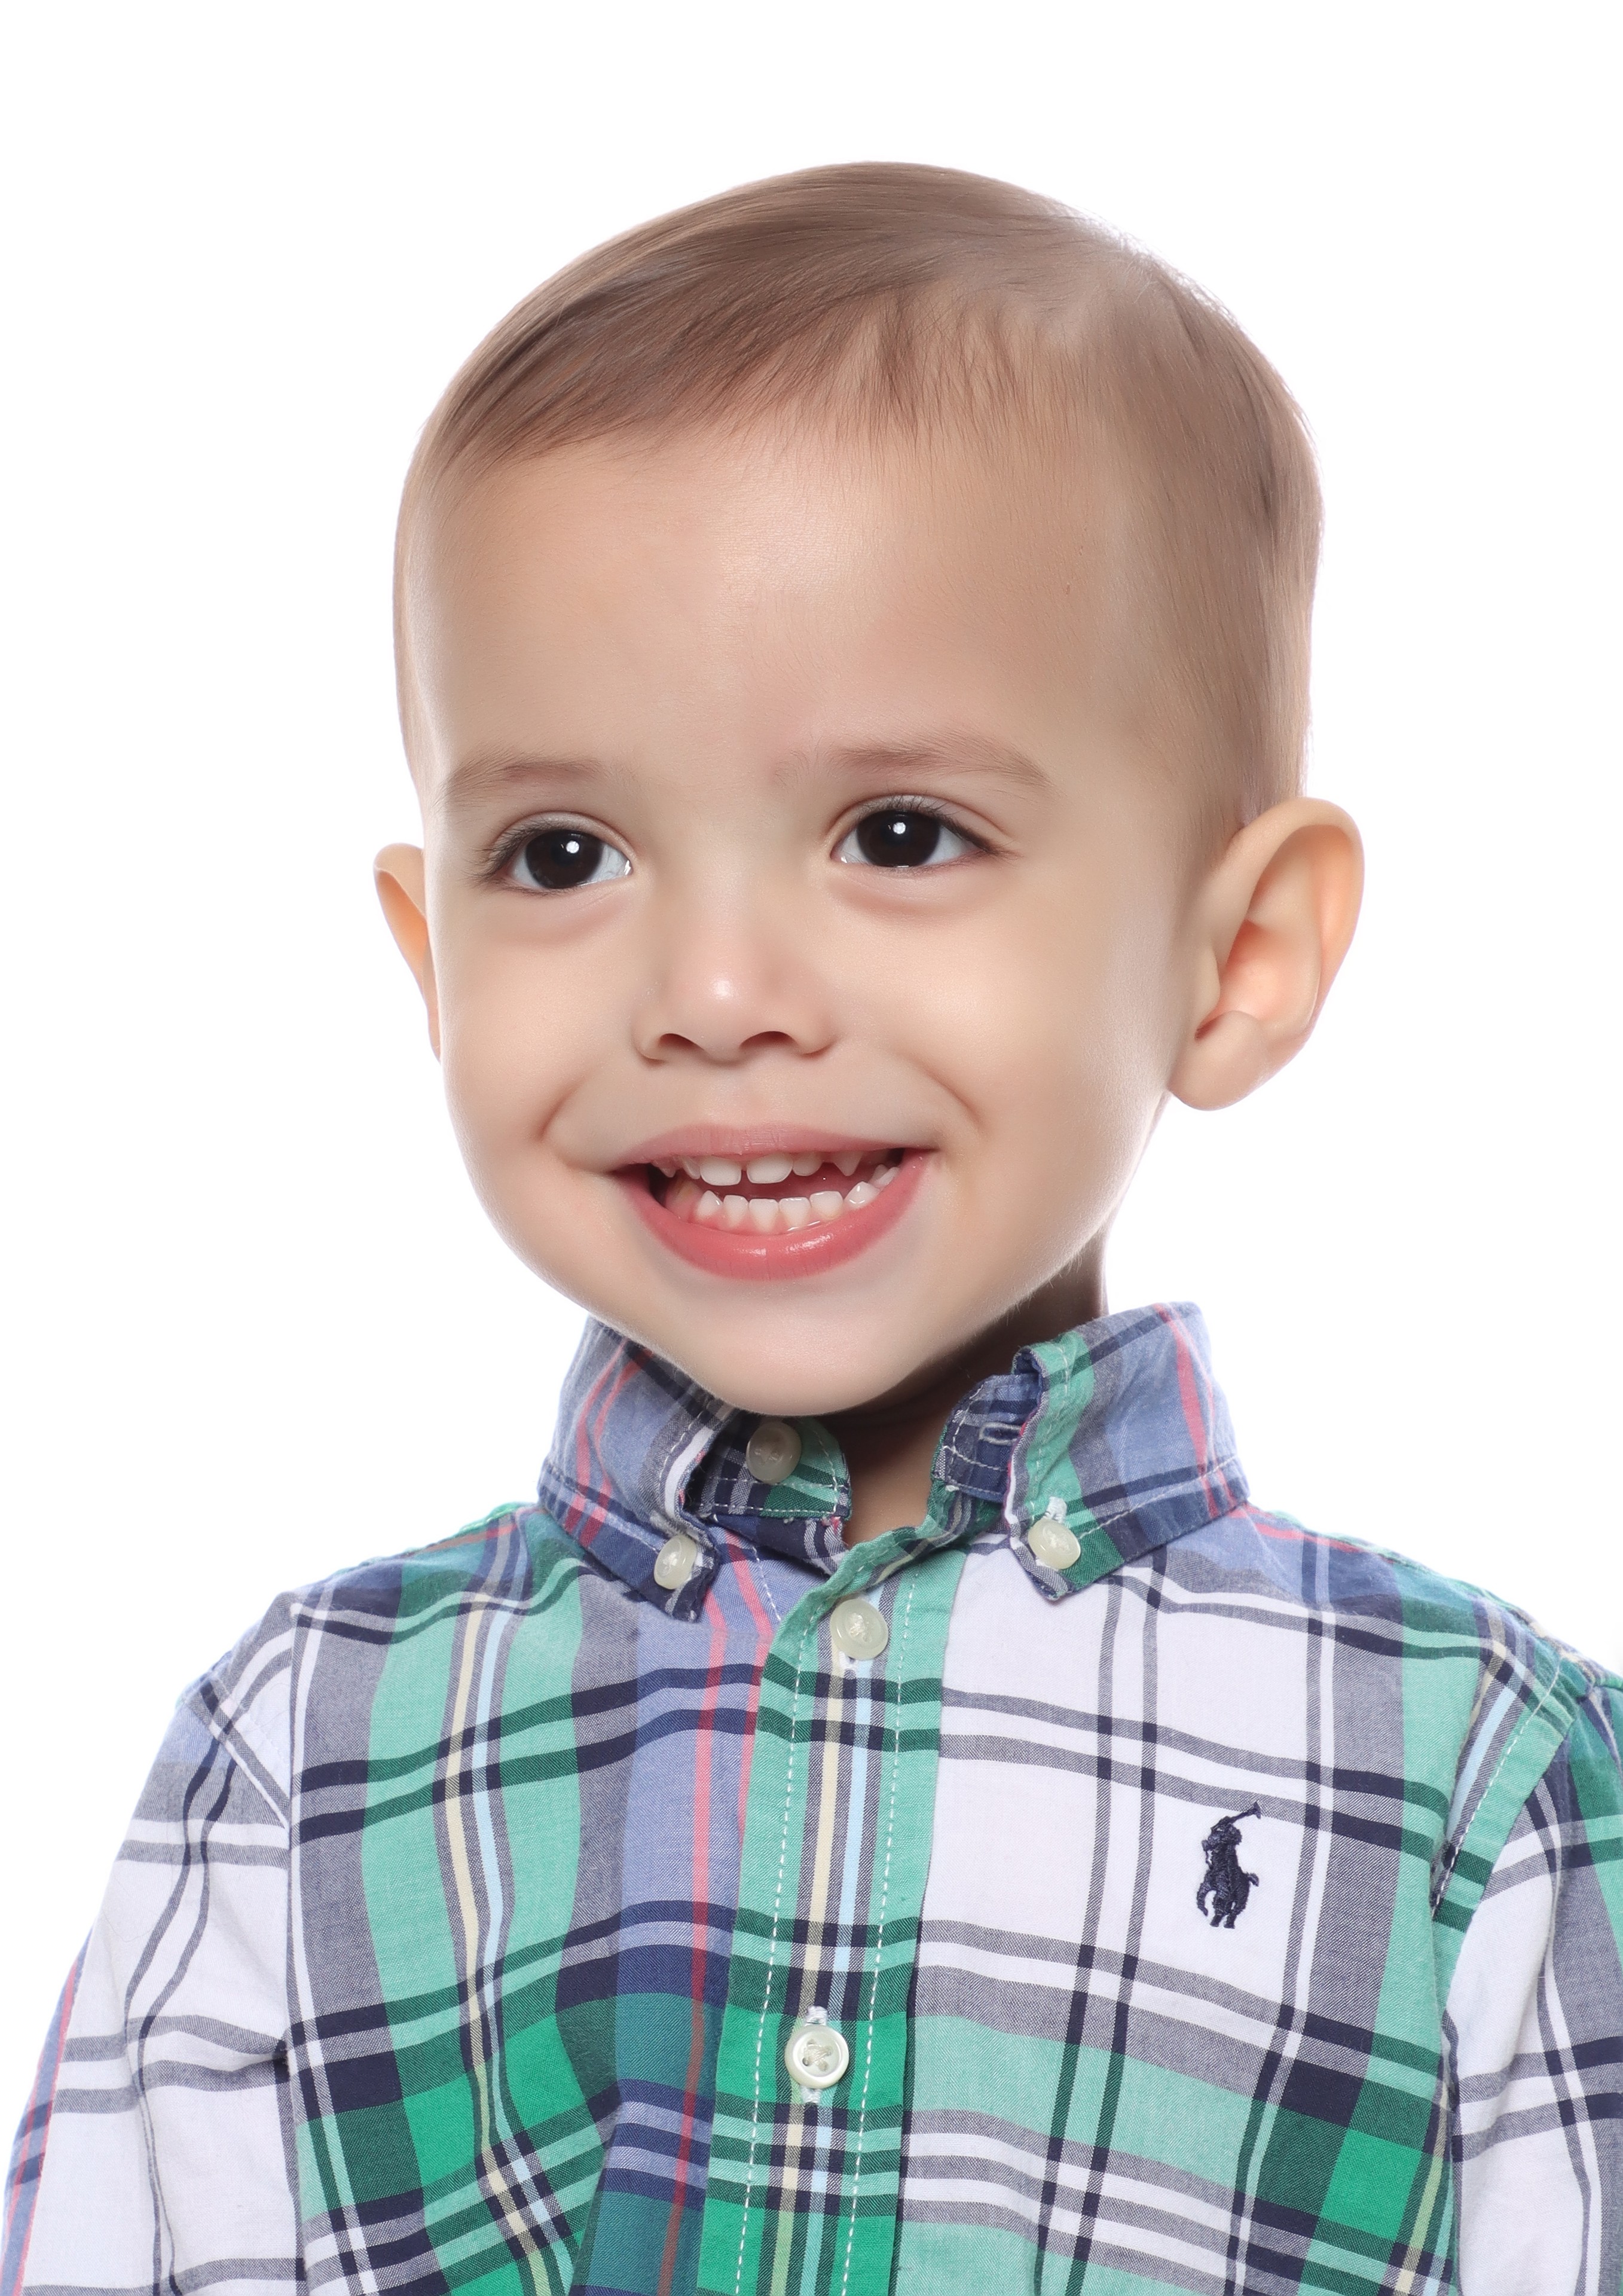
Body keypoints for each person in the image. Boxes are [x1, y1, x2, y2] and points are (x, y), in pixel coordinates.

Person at [5, 163, 1619, 2296]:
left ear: (1233, 956)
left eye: (898, 832)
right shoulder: (303, 1755)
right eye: (562, 854)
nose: (714, 989)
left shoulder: (1467, 1779)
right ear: (429, 964)